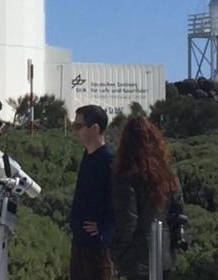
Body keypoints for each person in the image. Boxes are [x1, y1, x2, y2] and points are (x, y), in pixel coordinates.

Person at [111, 116, 183, 280]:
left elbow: (128, 222)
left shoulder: (127, 177)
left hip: (137, 260)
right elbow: (178, 211)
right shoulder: (168, 173)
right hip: (164, 256)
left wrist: (116, 253)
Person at [69, 104, 115, 280]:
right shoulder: (87, 155)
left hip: (96, 248)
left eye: (79, 126)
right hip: (79, 243)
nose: (75, 131)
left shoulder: (108, 160)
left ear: (94, 128)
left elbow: (120, 200)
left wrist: (105, 228)